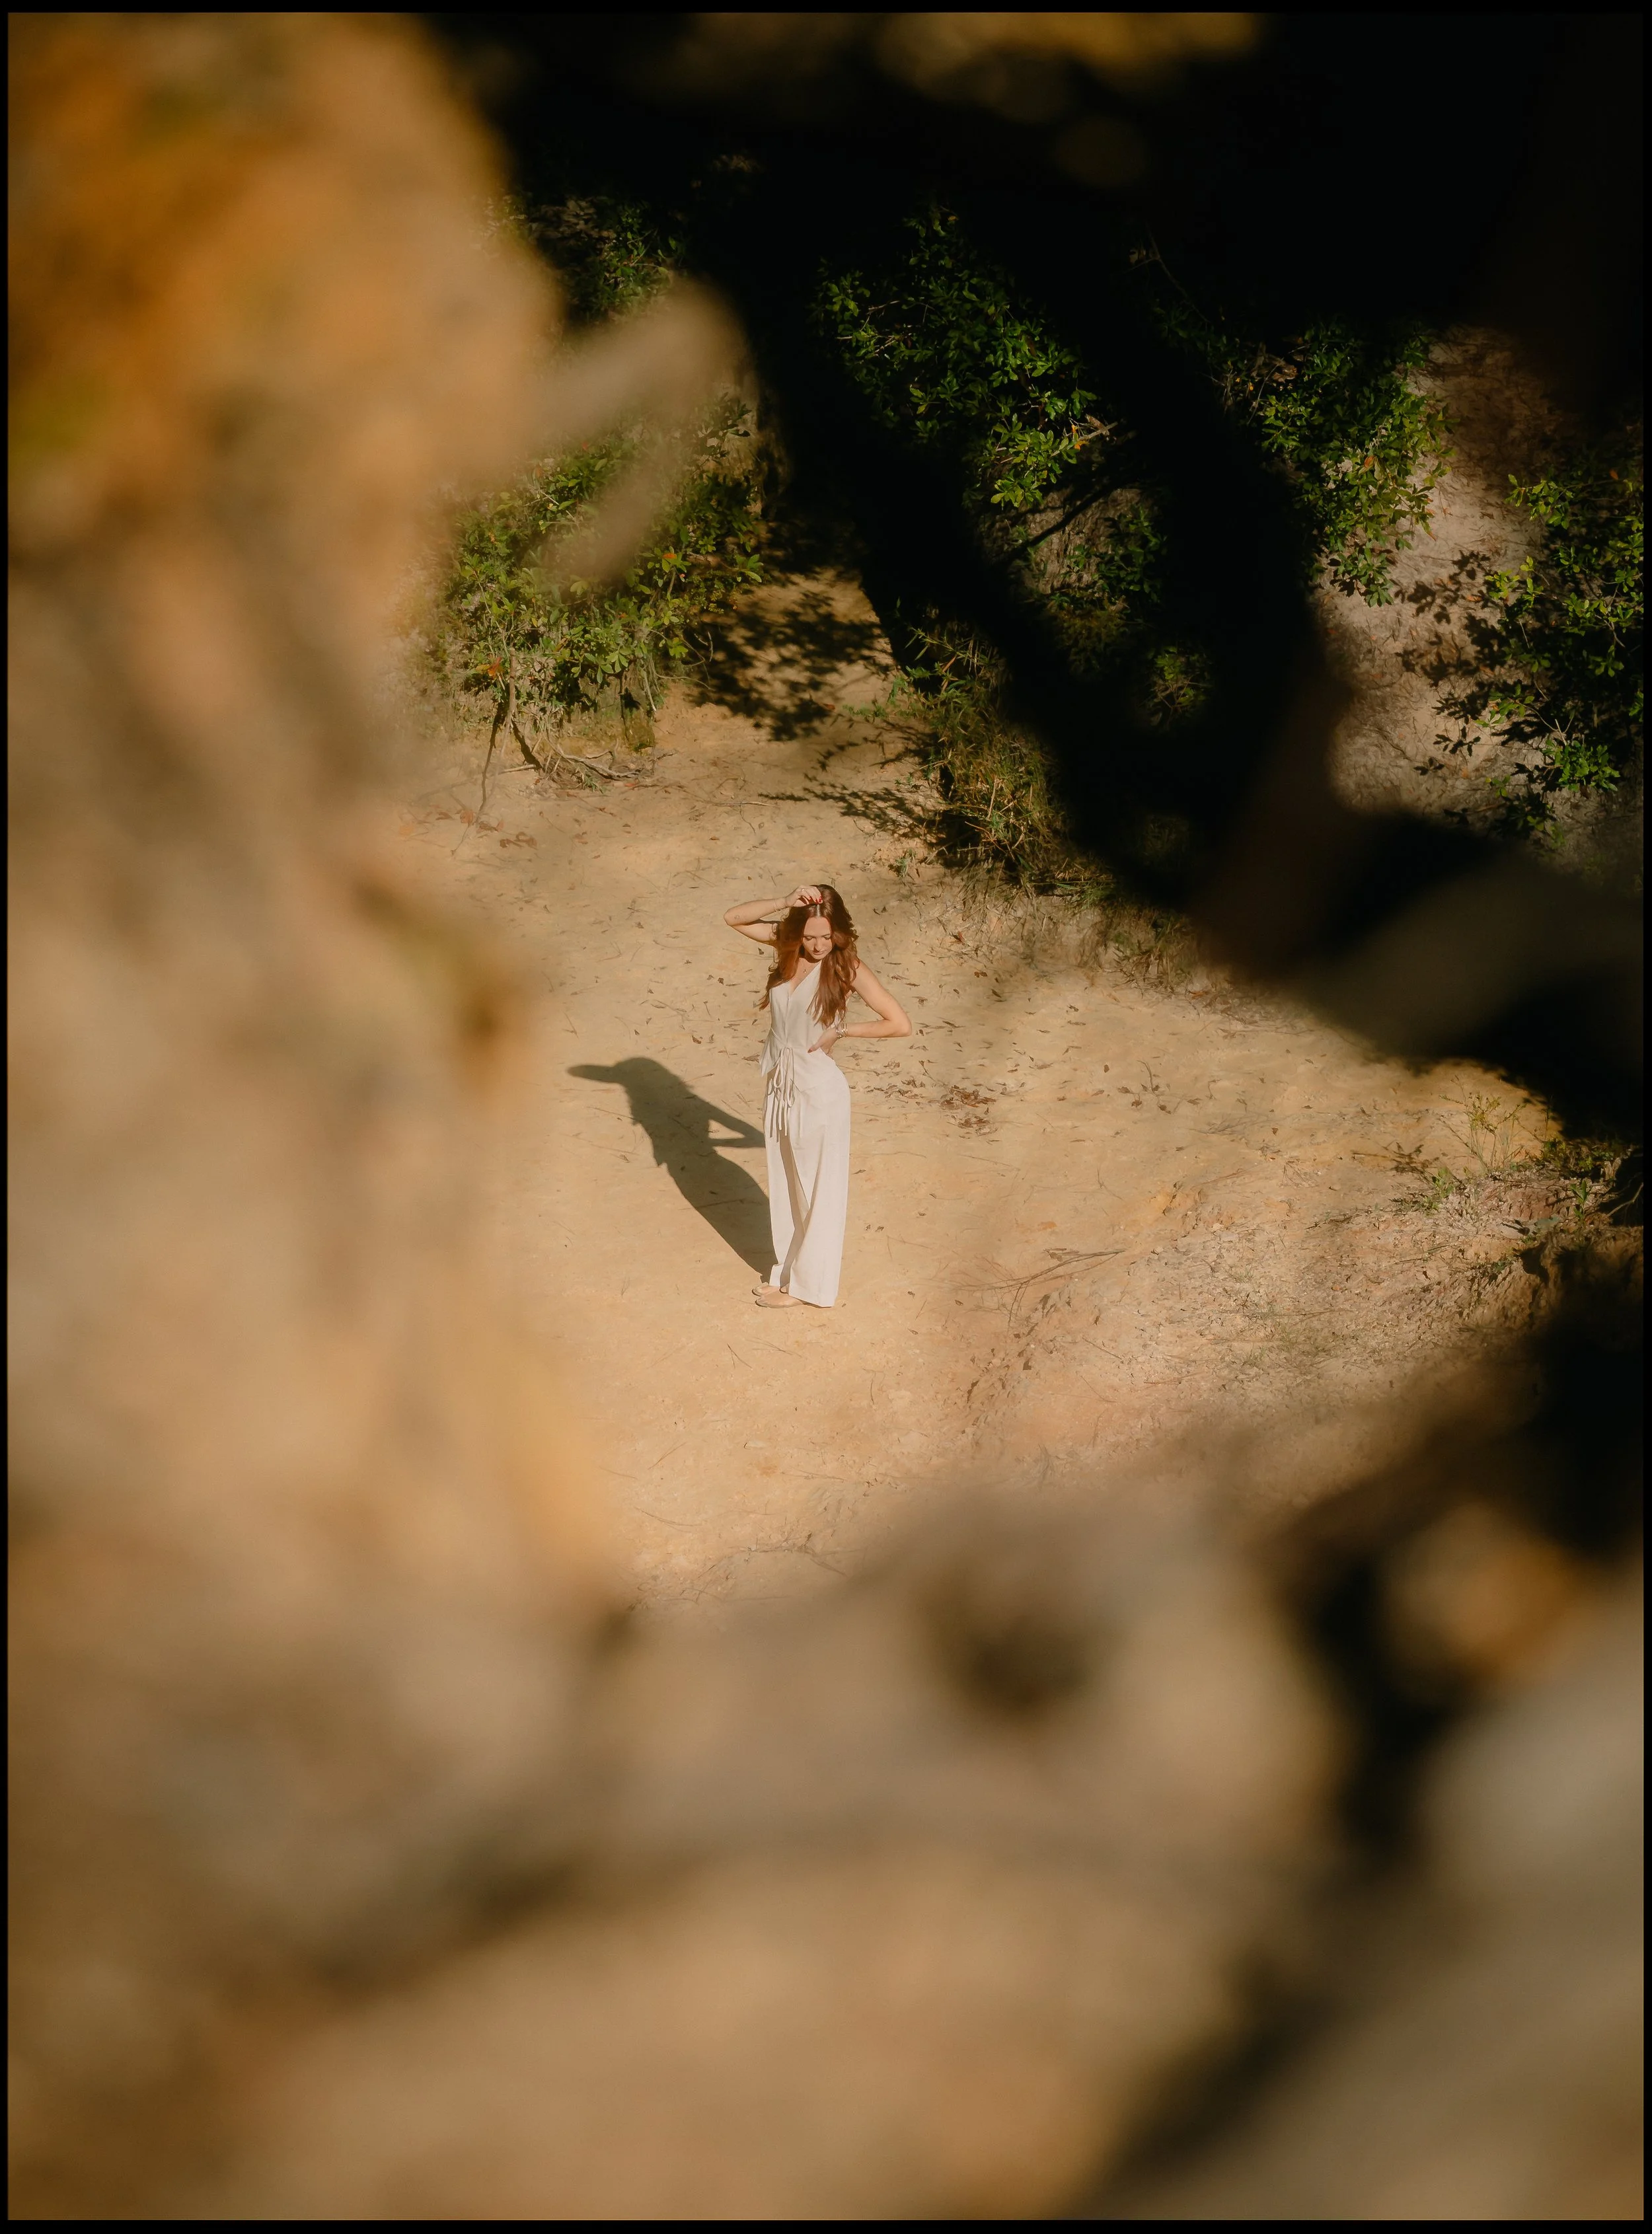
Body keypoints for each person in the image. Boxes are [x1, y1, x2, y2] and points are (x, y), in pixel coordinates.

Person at [724, 883, 912, 1308]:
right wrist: (786, 902)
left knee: (818, 1189)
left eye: (826, 937)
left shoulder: (848, 968)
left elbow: (899, 1023)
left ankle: (812, 1287)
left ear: (839, 933)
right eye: (810, 937)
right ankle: (788, 1274)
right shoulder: (787, 948)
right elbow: (734, 917)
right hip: (780, 1087)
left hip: (819, 1092)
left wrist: (843, 1030)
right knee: (789, 1183)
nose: (818, 945)